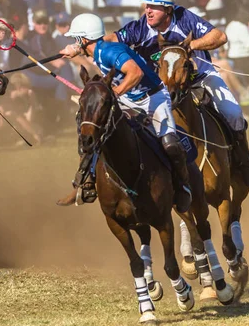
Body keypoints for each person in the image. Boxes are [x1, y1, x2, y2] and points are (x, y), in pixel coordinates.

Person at [106, 0, 249, 188]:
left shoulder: (184, 18)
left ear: (168, 10)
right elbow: (111, 40)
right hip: (162, 87)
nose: (148, 10)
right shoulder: (139, 28)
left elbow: (220, 37)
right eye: (147, 5)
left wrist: (191, 46)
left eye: (155, 7)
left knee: (233, 112)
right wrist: (84, 44)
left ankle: (242, 158)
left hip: (201, 76)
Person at [59, 13, 192, 211]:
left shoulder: (109, 52)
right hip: (129, 98)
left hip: (153, 97)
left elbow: (135, 73)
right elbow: (90, 44)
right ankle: (83, 183)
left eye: (76, 38)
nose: (75, 42)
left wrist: (116, 93)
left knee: (170, 143)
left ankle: (182, 186)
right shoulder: (100, 49)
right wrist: (76, 49)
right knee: (98, 132)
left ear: (83, 39)